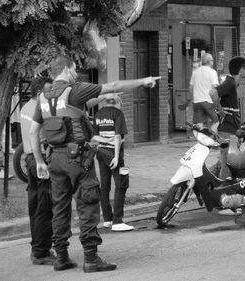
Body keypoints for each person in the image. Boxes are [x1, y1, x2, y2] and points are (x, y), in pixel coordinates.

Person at [29, 54, 160, 273]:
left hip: (55, 160)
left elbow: (34, 131)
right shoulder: (74, 89)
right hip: (78, 159)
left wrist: (40, 162)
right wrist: (143, 81)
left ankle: (61, 257)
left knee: (60, 208)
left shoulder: (44, 97)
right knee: (88, 204)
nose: (76, 74)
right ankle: (91, 258)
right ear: (68, 69)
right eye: (74, 70)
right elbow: (113, 85)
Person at [21, 77, 55, 265]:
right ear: (39, 92)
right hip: (39, 160)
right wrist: (42, 161)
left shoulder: (26, 107)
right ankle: (41, 252)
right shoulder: (40, 109)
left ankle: (37, 248)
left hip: (30, 160)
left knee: (35, 207)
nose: (52, 94)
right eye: (49, 90)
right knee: (44, 208)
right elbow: (37, 135)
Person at [211, 56, 245, 216]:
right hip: (227, 130)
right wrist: (219, 110)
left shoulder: (233, 83)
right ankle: (224, 199)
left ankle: (222, 193)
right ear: (241, 70)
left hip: (231, 129)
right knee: (227, 163)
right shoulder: (230, 82)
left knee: (226, 162)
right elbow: (213, 93)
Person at [92, 94, 133, 232]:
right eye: (120, 103)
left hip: (101, 153)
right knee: (121, 184)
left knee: (105, 186)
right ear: (116, 102)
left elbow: (94, 136)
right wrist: (116, 156)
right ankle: (118, 221)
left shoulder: (98, 114)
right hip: (113, 154)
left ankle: (107, 219)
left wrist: (105, 141)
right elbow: (117, 136)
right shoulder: (117, 113)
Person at [189, 53, 220, 132]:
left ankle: (201, 142)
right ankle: (211, 139)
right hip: (208, 101)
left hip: (197, 102)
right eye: (212, 60)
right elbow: (214, 88)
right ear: (210, 61)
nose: (213, 62)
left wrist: (193, 98)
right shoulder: (212, 72)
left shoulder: (195, 72)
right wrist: (217, 102)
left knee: (199, 125)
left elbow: (191, 87)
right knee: (216, 121)